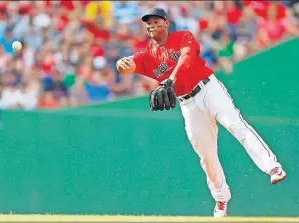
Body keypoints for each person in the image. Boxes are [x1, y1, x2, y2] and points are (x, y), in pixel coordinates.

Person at [116, 8, 287, 218]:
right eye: (148, 22)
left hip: (208, 89)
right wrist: (121, 64)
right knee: (206, 156)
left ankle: (273, 167)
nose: (152, 25)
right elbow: (129, 65)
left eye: (156, 21)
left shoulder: (182, 37)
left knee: (236, 124)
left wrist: (171, 80)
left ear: (166, 23)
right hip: (187, 104)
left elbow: (186, 58)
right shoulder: (148, 54)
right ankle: (221, 199)